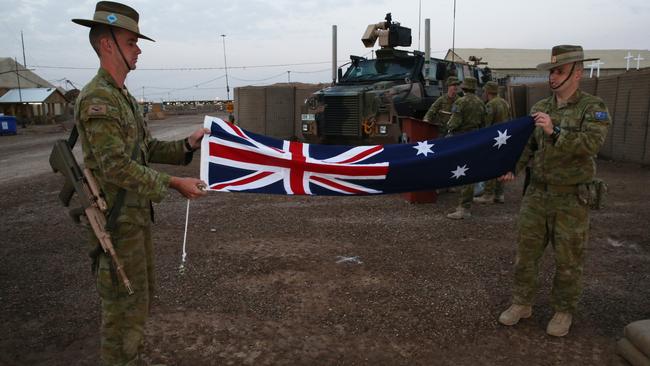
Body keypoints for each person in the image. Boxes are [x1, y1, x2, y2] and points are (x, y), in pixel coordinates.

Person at [72, 2, 209, 364]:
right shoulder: (98, 98)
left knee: (138, 301)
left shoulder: (124, 98)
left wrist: (188, 144)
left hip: (132, 220)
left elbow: (144, 149)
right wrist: (174, 183)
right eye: (131, 42)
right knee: (122, 310)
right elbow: (114, 166)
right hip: (116, 224)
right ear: (107, 45)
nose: (138, 49)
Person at [497, 45, 610, 337]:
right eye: (551, 71)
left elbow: (591, 146)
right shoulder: (541, 108)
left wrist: (555, 131)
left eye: (559, 71)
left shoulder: (592, 107)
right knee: (526, 253)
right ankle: (522, 303)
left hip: (571, 196)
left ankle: (563, 310)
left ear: (578, 73)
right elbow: (528, 146)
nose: (553, 77)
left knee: (568, 258)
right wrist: (514, 167)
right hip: (537, 194)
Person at [445, 76, 486, 220]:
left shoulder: (460, 102)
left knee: (463, 172)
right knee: (470, 170)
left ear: (464, 88)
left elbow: (454, 123)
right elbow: (483, 123)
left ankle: (464, 208)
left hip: (462, 140)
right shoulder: (481, 103)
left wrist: (449, 128)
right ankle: (465, 205)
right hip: (475, 138)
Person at [474, 81, 511, 204]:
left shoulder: (490, 105)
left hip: (493, 139)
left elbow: (487, 125)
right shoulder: (504, 103)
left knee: (489, 165)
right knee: (501, 166)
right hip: (504, 138)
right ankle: (499, 194)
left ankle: (488, 195)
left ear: (487, 91)